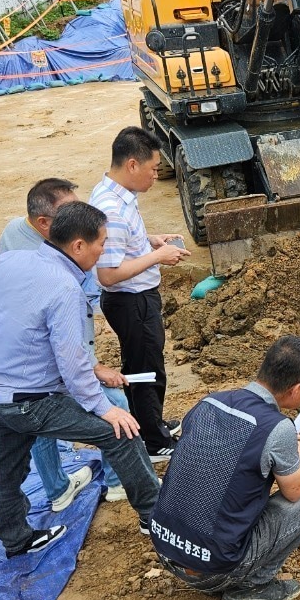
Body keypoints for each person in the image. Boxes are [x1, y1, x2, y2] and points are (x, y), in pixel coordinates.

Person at [0, 201, 161, 558]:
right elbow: (72, 362)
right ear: (78, 245)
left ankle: (16, 540)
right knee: (121, 432)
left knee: (5, 468)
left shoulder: (11, 259)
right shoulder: (64, 288)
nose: (103, 250)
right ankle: (154, 517)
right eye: (101, 242)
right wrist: (103, 408)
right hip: (28, 403)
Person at [151, 335, 300, 600]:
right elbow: (295, 493)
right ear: (296, 390)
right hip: (214, 571)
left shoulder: (210, 402)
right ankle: (254, 584)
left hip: (166, 549)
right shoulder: (278, 427)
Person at [0, 178, 139, 509]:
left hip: (24, 368)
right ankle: (119, 483)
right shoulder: (55, 276)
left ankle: (58, 490)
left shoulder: (15, 232)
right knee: (113, 405)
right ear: (45, 223)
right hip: (44, 362)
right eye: (66, 212)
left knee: (41, 426)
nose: (76, 215)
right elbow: (67, 338)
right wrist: (94, 369)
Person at [92, 127, 190, 461]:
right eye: (152, 169)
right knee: (146, 370)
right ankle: (153, 441)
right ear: (132, 165)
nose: (155, 176)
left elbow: (122, 242)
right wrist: (158, 257)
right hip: (131, 300)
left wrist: (150, 240)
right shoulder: (112, 211)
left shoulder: (116, 194)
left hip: (135, 298)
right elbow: (107, 274)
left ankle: (151, 423)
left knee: (145, 364)